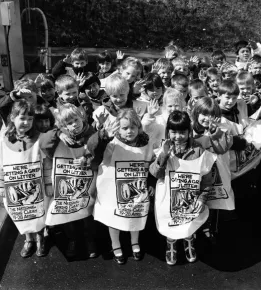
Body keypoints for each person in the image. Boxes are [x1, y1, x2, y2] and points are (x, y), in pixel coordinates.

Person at [87, 109, 155, 265]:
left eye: (133, 127)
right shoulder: (110, 142)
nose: (129, 131)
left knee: (135, 213)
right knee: (114, 216)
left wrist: (151, 182)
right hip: (112, 187)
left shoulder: (146, 143)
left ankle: (135, 242)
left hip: (136, 187)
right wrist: (102, 135)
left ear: (139, 127)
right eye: (124, 128)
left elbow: (151, 163)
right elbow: (94, 154)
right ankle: (115, 245)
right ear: (118, 128)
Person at [149, 110, 216, 265]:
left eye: (182, 132)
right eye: (173, 132)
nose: (177, 136)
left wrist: (202, 197)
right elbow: (154, 173)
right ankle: (170, 244)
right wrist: (164, 155)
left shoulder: (198, 150)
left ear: (188, 132)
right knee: (170, 220)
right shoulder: (162, 147)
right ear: (168, 132)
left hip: (190, 194)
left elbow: (207, 178)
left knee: (188, 221)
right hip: (168, 195)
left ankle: (189, 241)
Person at [0, 100, 51, 258]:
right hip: (15, 188)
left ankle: (40, 239)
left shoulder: (39, 139)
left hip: (36, 187)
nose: (26, 122)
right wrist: (0, 184)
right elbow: (1, 165)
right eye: (22, 118)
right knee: (22, 213)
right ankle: (28, 239)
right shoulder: (5, 140)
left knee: (38, 212)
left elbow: (46, 165)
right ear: (12, 117)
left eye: (30, 119)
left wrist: (49, 184)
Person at [44, 103, 97, 258]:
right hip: (66, 180)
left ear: (81, 117)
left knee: (87, 211)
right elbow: (44, 144)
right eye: (69, 123)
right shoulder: (60, 136)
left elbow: (99, 155)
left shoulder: (91, 133)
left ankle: (90, 240)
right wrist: (58, 132)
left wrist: (86, 159)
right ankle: (73, 239)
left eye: (76, 119)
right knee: (68, 211)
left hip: (86, 180)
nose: (74, 124)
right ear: (63, 125)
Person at [191, 97, 235, 239]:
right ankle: (195, 225)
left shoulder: (223, 130)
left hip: (216, 173)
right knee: (197, 198)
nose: (207, 118)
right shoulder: (190, 130)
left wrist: (215, 133)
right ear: (196, 113)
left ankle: (209, 226)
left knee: (214, 200)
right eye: (204, 114)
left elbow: (222, 148)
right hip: (197, 173)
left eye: (211, 115)